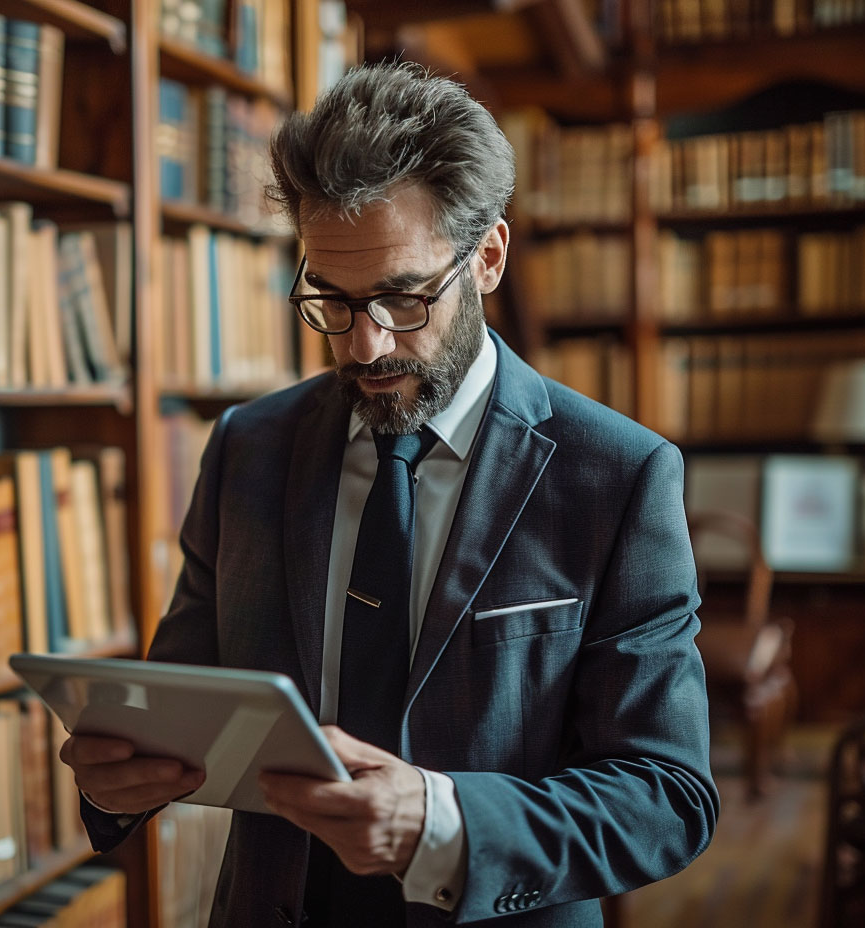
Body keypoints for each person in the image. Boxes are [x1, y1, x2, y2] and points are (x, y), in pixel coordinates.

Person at [60, 62, 718, 927]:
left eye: (404, 298)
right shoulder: (247, 448)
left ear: (486, 257)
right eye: (330, 299)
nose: (366, 346)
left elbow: (667, 795)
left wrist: (439, 823)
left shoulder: (616, 475)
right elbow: (187, 701)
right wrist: (117, 784)